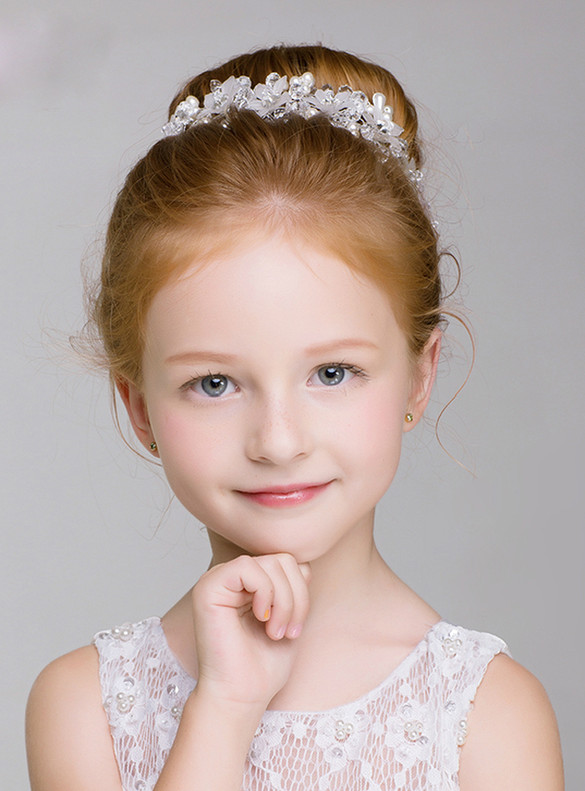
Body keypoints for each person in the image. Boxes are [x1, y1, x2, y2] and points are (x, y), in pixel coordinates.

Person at [25, 45, 564, 791]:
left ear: (419, 374)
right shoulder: (85, 706)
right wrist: (223, 708)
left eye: (332, 373)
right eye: (214, 383)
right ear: (139, 405)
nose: (277, 441)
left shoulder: (488, 717)